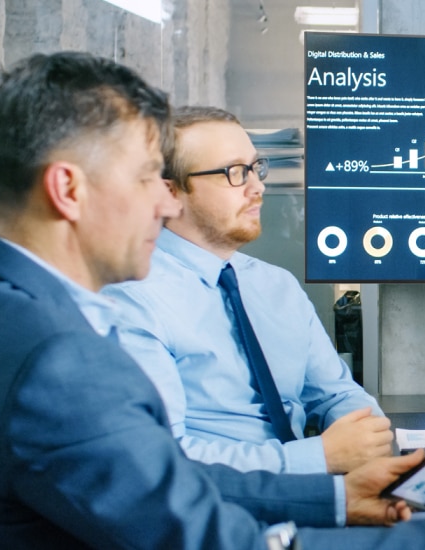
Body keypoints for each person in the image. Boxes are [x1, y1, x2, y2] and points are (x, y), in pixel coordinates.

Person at [0, 51, 425, 549]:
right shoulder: (54, 354)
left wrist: (336, 496)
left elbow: (163, 482)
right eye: (148, 177)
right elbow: (204, 535)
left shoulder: (5, 311)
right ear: (68, 189)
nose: (163, 203)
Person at [103, 106, 387, 475]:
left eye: (256, 167)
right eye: (234, 173)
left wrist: (369, 442)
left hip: (324, 489)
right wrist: (319, 458)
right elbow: (164, 458)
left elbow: (337, 394)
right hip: (227, 509)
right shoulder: (132, 299)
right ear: (169, 192)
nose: (258, 187)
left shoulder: (276, 285)